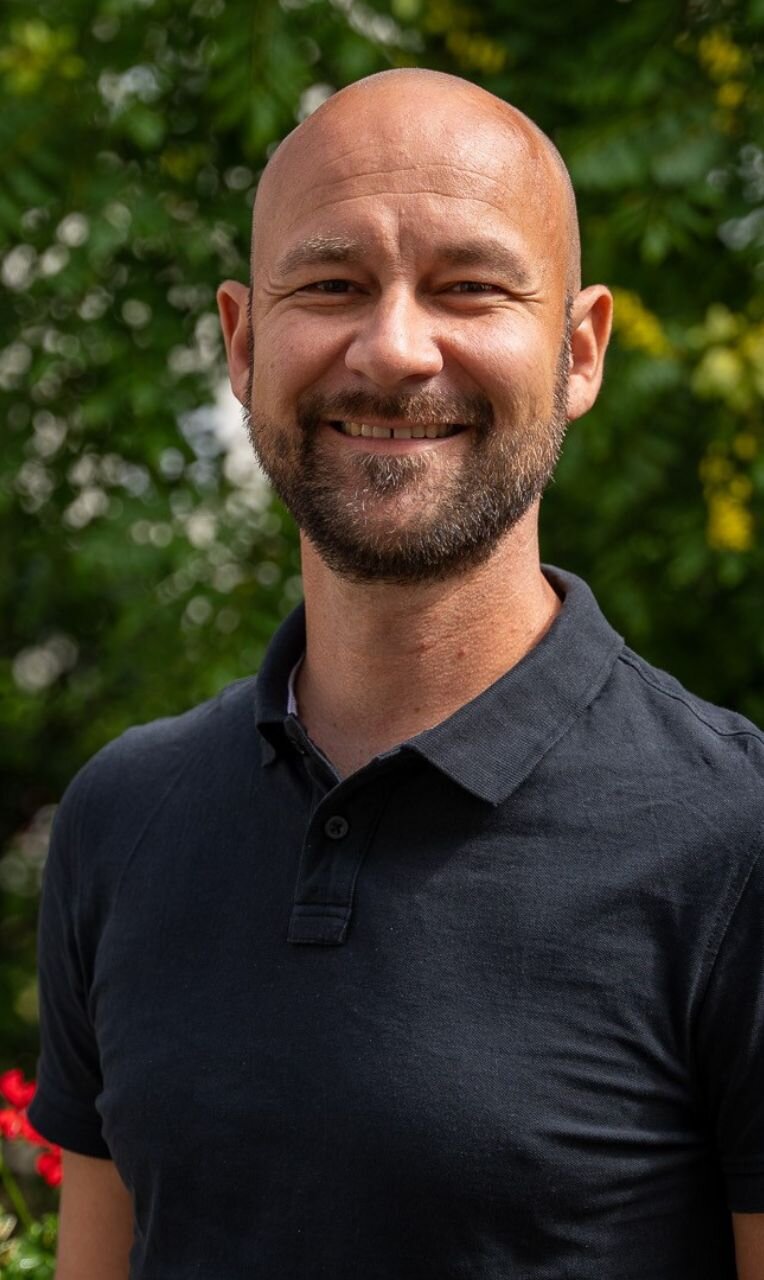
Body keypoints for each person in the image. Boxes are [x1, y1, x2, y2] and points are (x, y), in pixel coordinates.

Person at [29, 69, 764, 1279]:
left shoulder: (732, 835)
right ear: (242, 341)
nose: (394, 347)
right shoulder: (123, 814)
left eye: (469, 286)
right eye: (330, 285)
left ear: (578, 349)